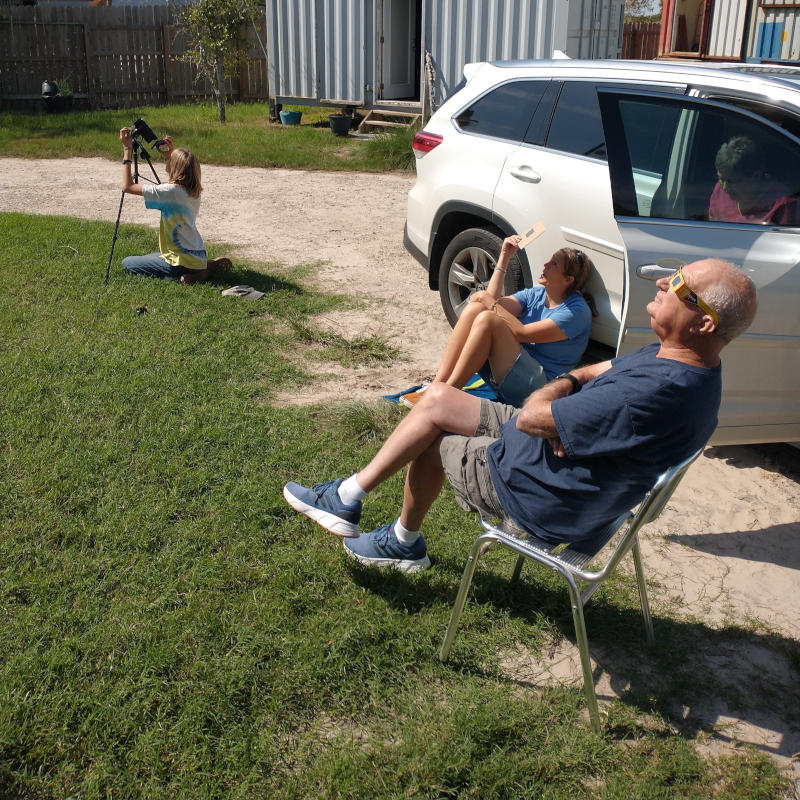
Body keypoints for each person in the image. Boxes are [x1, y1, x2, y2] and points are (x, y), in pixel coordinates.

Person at [283, 258, 757, 573]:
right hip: (558, 459)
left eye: (680, 285)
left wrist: (554, 409)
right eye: (673, 274)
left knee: (431, 435)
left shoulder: (656, 391)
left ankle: (403, 543)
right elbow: (593, 371)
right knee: (437, 399)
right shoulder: (674, 358)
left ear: (704, 322)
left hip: (544, 493)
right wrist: (565, 396)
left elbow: (534, 419)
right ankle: (347, 496)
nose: (663, 283)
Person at [416, 237, 596, 408]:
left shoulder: (576, 312)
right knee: (475, 310)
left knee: (488, 319)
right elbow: (488, 302)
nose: (545, 265)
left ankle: (446, 394)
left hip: (540, 388)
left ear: (568, 280)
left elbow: (522, 333)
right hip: (514, 372)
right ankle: (438, 384)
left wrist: (487, 300)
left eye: (554, 264)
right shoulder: (538, 294)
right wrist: (504, 257)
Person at [118, 127, 231, 284]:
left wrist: (127, 150)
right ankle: (204, 266)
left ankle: (193, 276)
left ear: (175, 168)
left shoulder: (170, 192)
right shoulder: (193, 190)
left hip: (181, 262)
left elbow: (127, 186)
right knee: (154, 256)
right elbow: (178, 177)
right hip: (197, 255)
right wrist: (171, 154)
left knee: (128, 262)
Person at [709, 135, 798, 225]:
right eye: (721, 179)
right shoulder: (719, 190)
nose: (725, 187)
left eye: (732, 181)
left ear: (756, 176)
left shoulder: (781, 203)